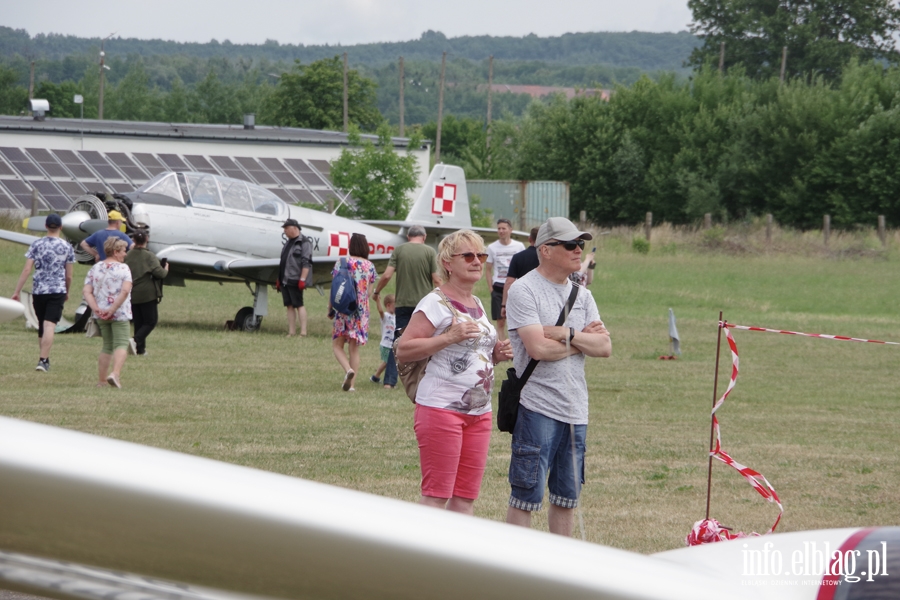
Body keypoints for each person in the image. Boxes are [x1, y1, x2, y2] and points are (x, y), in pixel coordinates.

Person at [505, 217, 611, 536]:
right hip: (537, 408)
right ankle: (516, 571)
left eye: (580, 244)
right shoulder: (524, 291)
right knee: (526, 497)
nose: (579, 250)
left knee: (567, 498)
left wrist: (566, 333)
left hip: (576, 411)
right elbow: (537, 349)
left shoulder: (583, 295)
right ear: (546, 250)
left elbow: (604, 346)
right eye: (570, 244)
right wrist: (581, 342)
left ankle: (561, 569)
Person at [397, 230, 513, 515]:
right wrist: (447, 337)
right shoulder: (434, 303)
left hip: (479, 413)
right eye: (469, 256)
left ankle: (455, 557)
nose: (477, 261)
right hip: (441, 409)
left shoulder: (477, 304)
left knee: (464, 498)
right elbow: (404, 349)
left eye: (481, 256)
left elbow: (475, 352)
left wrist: (496, 354)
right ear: (448, 263)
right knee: (437, 496)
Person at [11, 213, 75, 372]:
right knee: (50, 325)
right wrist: (66, 291)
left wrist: (17, 291)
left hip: (39, 290)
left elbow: (27, 269)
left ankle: (43, 358)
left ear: (46, 226)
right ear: (61, 227)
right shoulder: (67, 247)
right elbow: (69, 275)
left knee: (42, 324)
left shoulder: (36, 244)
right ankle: (43, 359)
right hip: (57, 289)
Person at [329, 233, 377, 392]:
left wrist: (330, 308)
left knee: (337, 345)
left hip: (343, 309)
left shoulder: (341, 262)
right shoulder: (369, 266)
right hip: (360, 312)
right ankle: (352, 385)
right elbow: (368, 293)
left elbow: (335, 288)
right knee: (354, 349)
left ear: (351, 246)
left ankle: (347, 369)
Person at [83, 238, 134, 389]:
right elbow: (125, 291)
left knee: (107, 345)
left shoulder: (96, 268)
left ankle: (102, 381)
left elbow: (87, 291)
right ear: (116, 251)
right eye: (124, 251)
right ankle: (115, 374)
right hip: (120, 313)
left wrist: (96, 308)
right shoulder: (124, 269)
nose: (125, 254)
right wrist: (112, 309)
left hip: (101, 314)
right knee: (121, 343)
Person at [124, 230, 169, 355]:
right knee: (150, 321)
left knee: (138, 322)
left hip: (131, 293)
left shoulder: (128, 255)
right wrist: (165, 268)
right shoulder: (149, 256)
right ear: (146, 240)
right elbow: (160, 274)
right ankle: (135, 340)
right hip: (147, 294)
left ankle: (140, 350)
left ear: (133, 240)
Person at [484, 218, 525, 340]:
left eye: (503, 228)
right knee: (500, 321)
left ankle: (516, 346)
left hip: (514, 286)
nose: (501, 231)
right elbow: (487, 269)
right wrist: (491, 289)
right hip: (498, 286)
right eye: (499, 229)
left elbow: (522, 267)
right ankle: (503, 347)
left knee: (516, 319)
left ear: (510, 230)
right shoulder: (492, 247)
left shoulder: (519, 246)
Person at [277, 218, 312, 337]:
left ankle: (303, 332)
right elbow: (283, 261)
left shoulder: (304, 242)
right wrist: (279, 278)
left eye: (286, 228)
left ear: (295, 228)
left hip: (295, 279)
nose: (285, 231)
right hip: (285, 279)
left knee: (299, 305)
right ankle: (291, 332)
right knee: (289, 305)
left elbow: (306, 262)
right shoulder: (288, 242)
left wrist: (302, 279)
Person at [500, 226, 540, 323]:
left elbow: (509, 282)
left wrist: (504, 305)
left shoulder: (518, 257)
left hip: (524, 297)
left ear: (529, 239)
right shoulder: (548, 257)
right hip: (544, 297)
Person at [370, 293, 397, 389]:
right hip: (386, 344)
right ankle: (375, 377)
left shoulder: (395, 317)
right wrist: (377, 300)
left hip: (391, 344)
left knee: (388, 362)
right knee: (387, 362)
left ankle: (376, 377)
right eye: (395, 306)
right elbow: (380, 311)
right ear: (388, 305)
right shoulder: (385, 316)